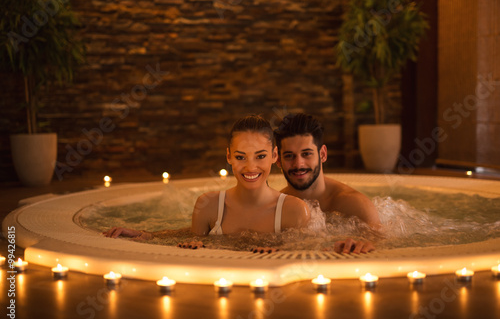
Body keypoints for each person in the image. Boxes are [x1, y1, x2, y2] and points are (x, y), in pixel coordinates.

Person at [104, 115, 311, 250]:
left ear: (275, 155)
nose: (250, 167)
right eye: (240, 157)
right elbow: (192, 237)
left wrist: (282, 250)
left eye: (260, 156)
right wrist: (145, 235)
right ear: (228, 156)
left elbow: (307, 254)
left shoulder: (294, 210)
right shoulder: (209, 206)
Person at [274, 113, 381, 254]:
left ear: (322, 154)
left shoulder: (354, 204)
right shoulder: (276, 207)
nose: (298, 164)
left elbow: (380, 243)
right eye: (289, 156)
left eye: (306, 154)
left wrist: (363, 245)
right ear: (278, 160)